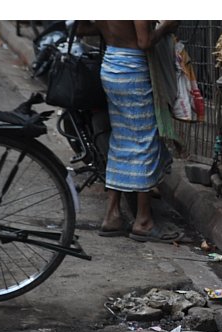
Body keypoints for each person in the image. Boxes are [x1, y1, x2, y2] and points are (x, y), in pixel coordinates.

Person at [84, 21, 180, 242]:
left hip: (111, 64)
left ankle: (113, 214)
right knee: (144, 142)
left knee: (122, 138)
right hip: (133, 68)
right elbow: (144, 41)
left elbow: (82, 27)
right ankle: (143, 220)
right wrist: (167, 26)